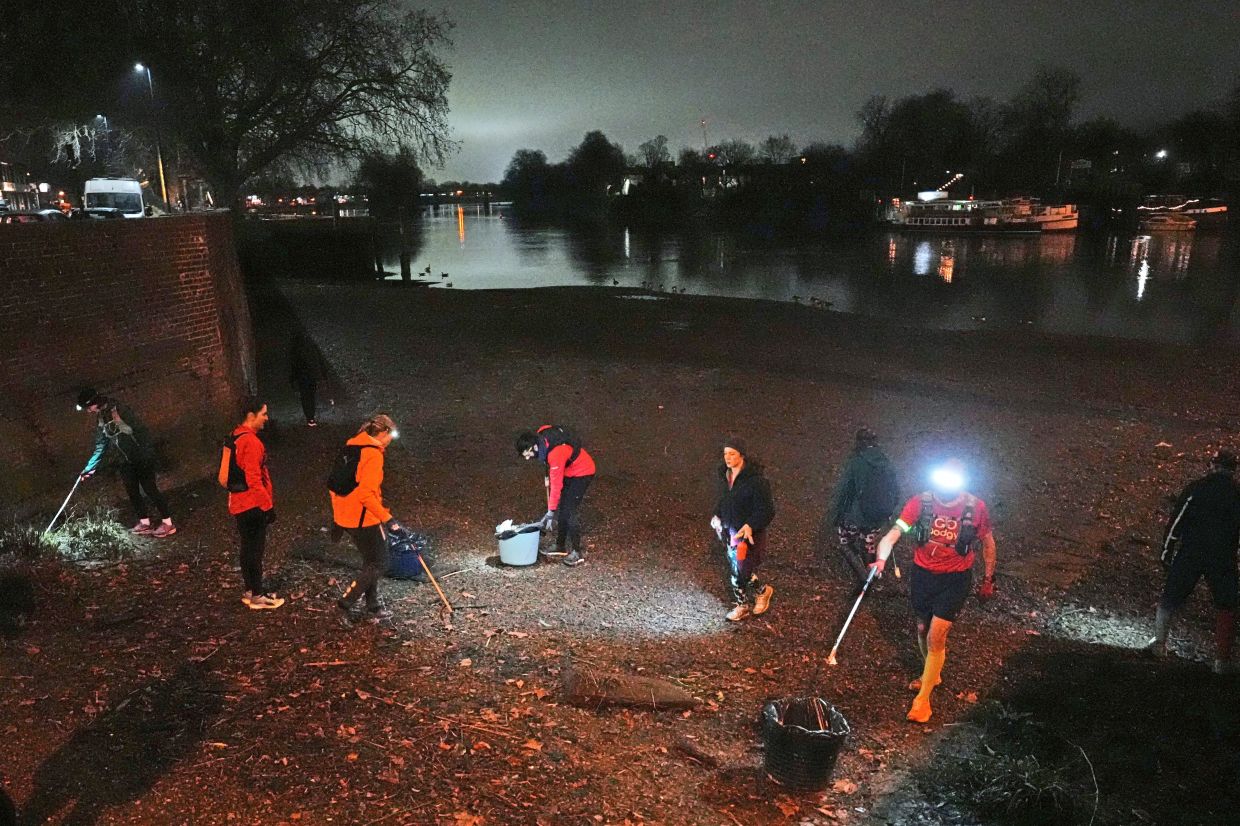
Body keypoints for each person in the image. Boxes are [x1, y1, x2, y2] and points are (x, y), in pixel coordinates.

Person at [872, 458, 996, 723]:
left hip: (955, 579)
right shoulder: (920, 504)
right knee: (922, 630)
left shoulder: (976, 509)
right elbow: (895, 532)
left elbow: (988, 543)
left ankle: (923, 700)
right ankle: (932, 672)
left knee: (937, 636)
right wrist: (881, 558)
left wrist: (988, 579)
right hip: (923, 576)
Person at [1146, 450, 1240, 675]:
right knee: (1226, 605)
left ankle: (1159, 644)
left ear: (1212, 465)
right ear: (1233, 470)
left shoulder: (1196, 489)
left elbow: (1176, 523)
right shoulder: (1237, 495)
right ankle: (1221, 662)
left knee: (1170, 597)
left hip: (1192, 553)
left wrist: (1166, 554)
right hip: (1223, 557)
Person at [76, 387, 175, 537]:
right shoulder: (101, 418)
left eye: (89, 407)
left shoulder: (119, 410)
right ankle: (145, 522)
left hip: (141, 456)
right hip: (124, 460)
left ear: (95, 402)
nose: (88, 411)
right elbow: (101, 445)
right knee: (132, 490)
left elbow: (141, 431)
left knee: (149, 488)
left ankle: (168, 523)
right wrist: (89, 469)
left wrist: (146, 453)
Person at [330, 413, 401, 620]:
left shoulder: (350, 448)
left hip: (345, 517)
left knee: (370, 561)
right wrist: (387, 518)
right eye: (391, 436)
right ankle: (344, 605)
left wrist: (338, 516)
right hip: (364, 518)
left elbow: (334, 484)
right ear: (384, 432)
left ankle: (373, 606)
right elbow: (366, 495)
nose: (390, 442)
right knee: (380, 562)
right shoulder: (372, 455)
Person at [227, 398, 283, 609]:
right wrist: (267, 507)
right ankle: (259, 596)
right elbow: (253, 479)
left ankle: (250, 590)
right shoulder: (251, 442)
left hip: (239, 503)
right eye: (264, 414)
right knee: (255, 550)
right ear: (251, 416)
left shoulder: (236, 435)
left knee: (246, 548)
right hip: (252, 504)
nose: (267, 418)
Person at [711, 438, 775, 621]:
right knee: (740, 568)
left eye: (732, 454)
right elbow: (724, 501)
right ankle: (762, 592)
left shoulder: (757, 482)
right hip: (730, 534)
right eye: (725, 454)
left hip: (747, 537)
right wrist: (717, 515)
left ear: (742, 455)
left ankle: (742, 605)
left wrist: (750, 525)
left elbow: (767, 510)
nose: (727, 458)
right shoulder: (726, 477)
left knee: (738, 571)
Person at [515, 425, 597, 567]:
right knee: (564, 507)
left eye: (528, 454)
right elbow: (547, 427)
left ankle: (577, 553)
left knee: (569, 510)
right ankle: (560, 546)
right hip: (570, 471)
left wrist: (550, 511)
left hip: (583, 472)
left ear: (534, 447)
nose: (528, 459)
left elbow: (556, 486)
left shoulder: (555, 455)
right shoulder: (542, 436)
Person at [830, 427, 900, 588]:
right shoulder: (886, 462)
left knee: (845, 542)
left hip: (855, 514)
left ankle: (863, 577)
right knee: (868, 543)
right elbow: (895, 490)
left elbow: (843, 490)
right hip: (878, 515)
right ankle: (873, 574)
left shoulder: (855, 462)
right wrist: (890, 510)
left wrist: (836, 514)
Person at [290, 332, 327, 427]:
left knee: (306, 397)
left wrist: (292, 379)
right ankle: (311, 417)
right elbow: (318, 363)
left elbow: (293, 367)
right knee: (310, 397)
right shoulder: (310, 350)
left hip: (304, 378)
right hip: (309, 377)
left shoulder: (296, 351)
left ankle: (310, 417)